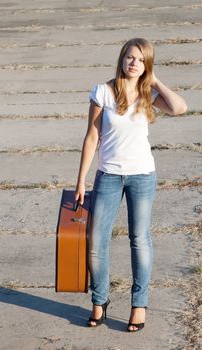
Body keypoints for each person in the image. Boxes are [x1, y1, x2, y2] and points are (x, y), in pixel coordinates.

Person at [75, 38, 187, 332]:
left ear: (146, 64)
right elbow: (91, 138)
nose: (133, 63)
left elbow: (179, 108)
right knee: (97, 242)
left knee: (140, 240)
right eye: (129, 57)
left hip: (142, 176)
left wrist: (156, 79)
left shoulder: (148, 93)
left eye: (140, 59)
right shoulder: (103, 91)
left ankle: (139, 305)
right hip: (108, 175)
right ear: (121, 59)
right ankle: (99, 301)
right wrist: (81, 181)